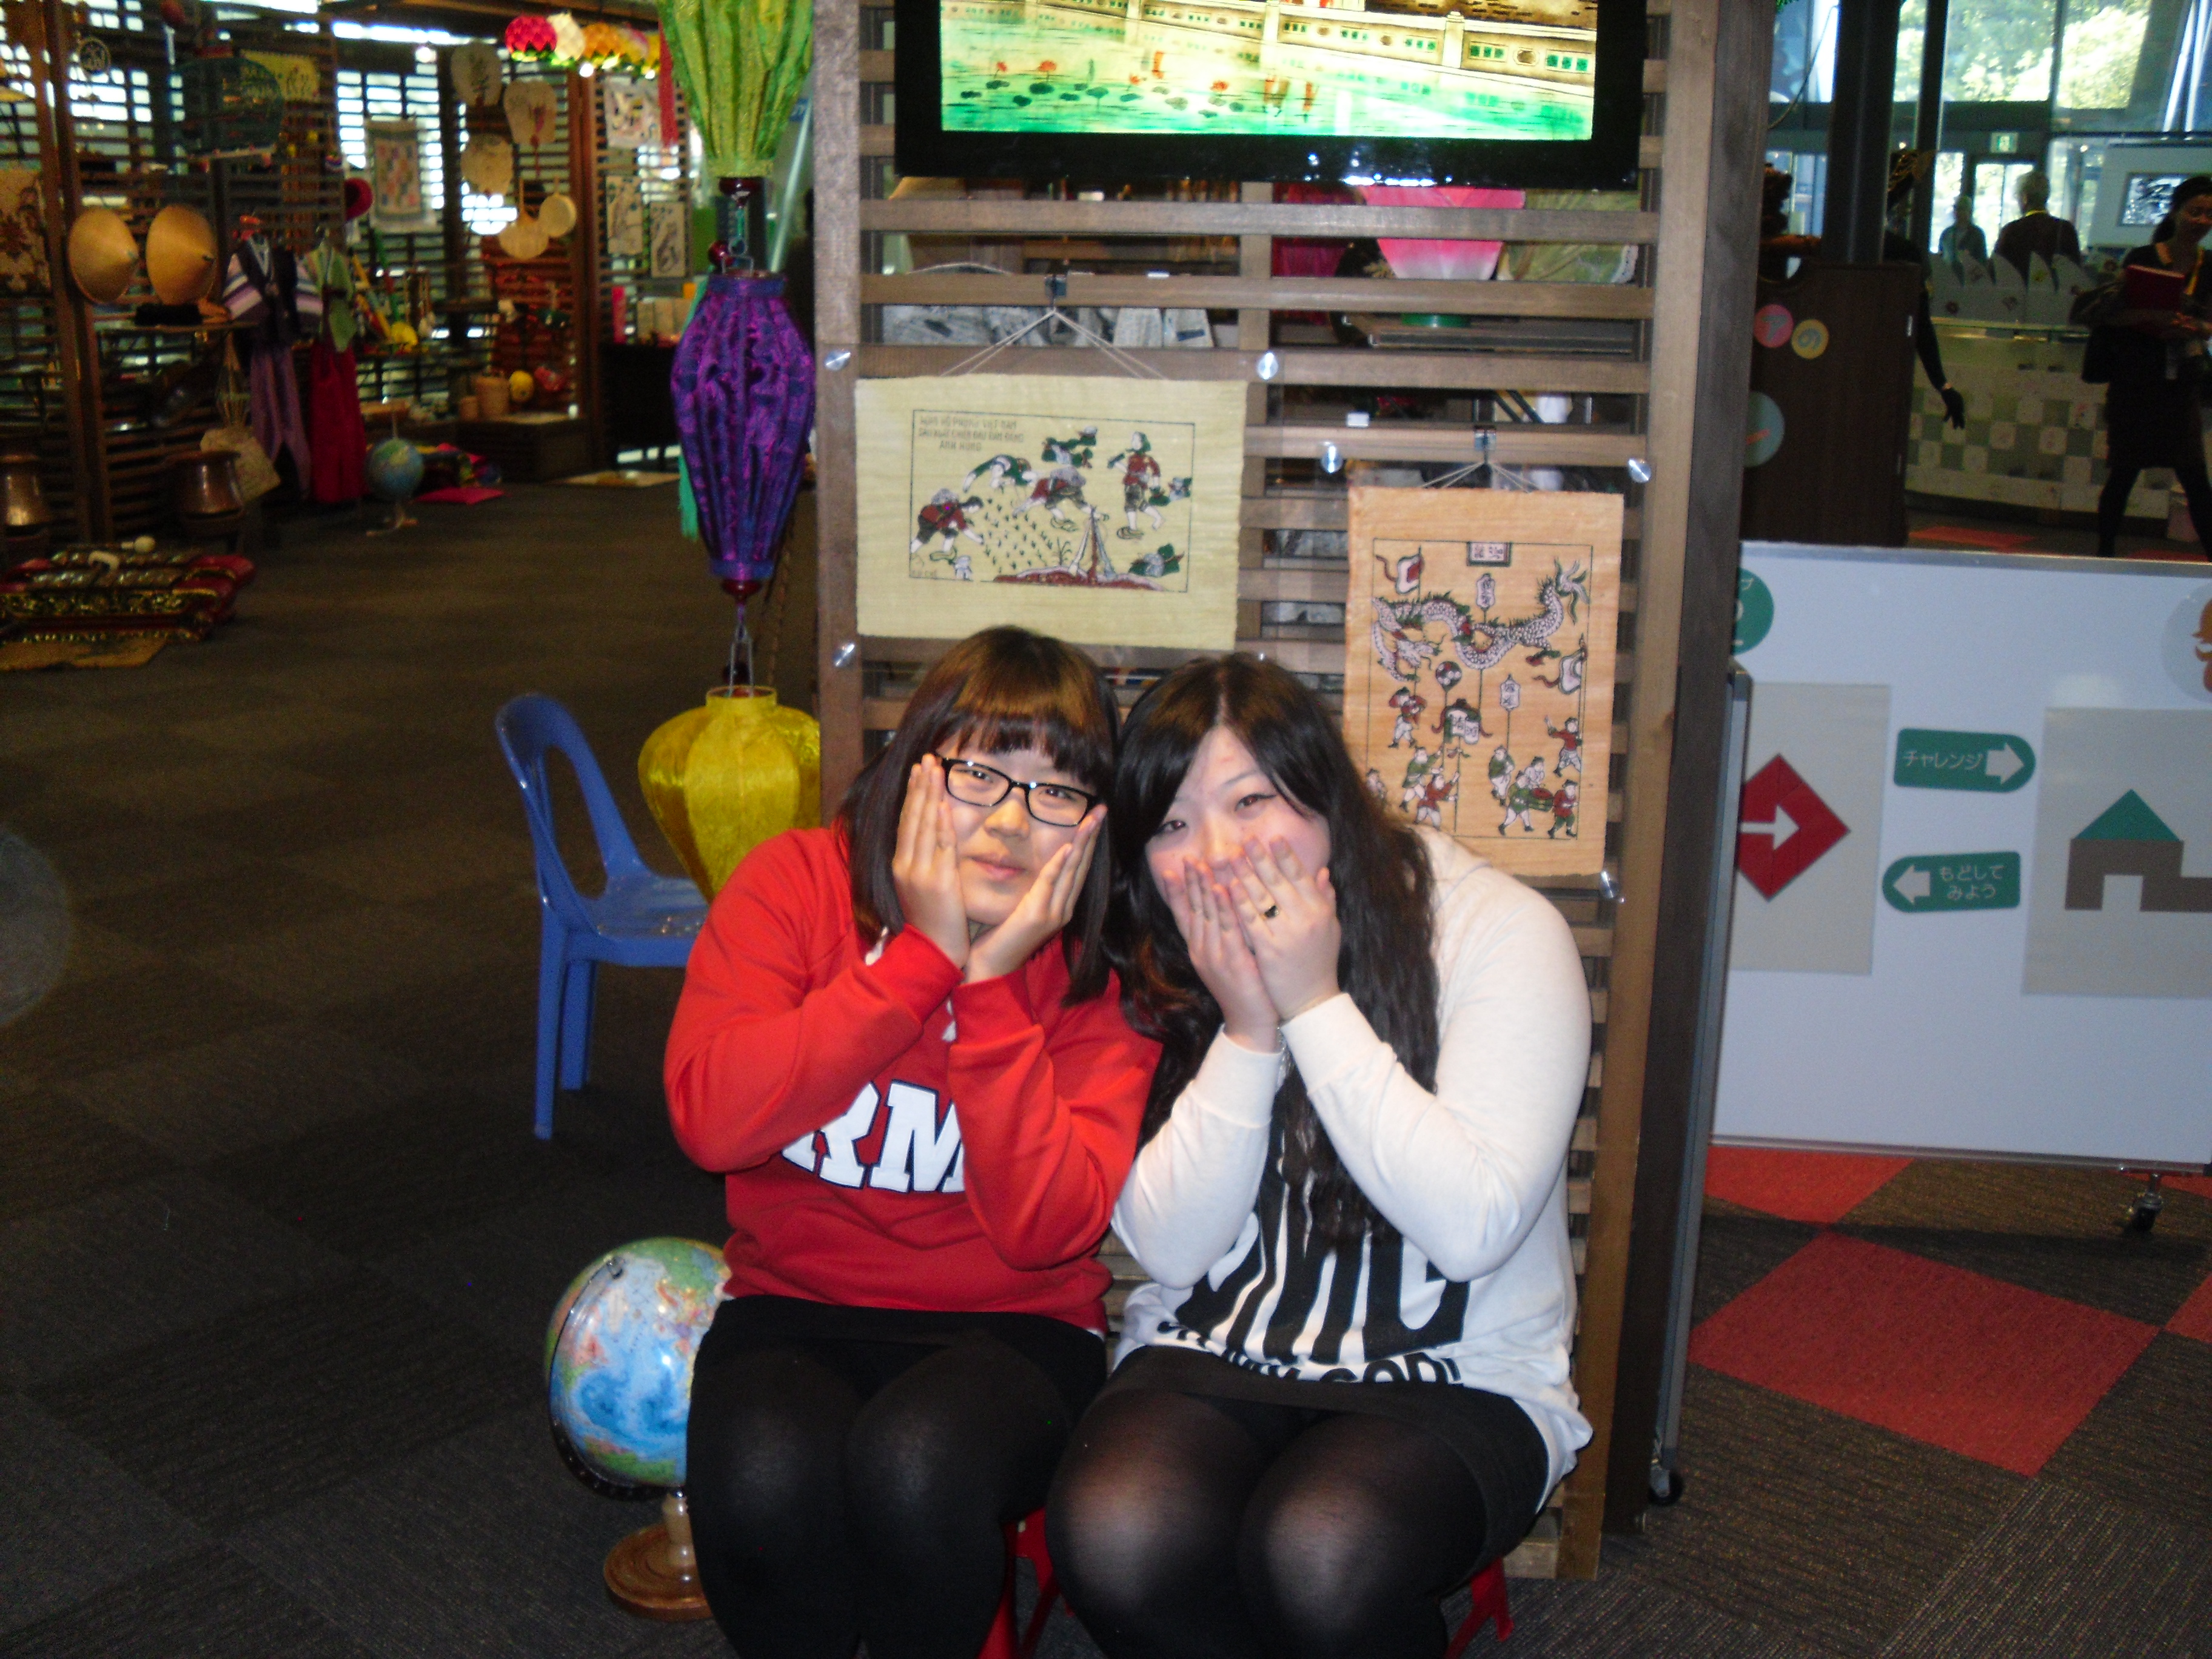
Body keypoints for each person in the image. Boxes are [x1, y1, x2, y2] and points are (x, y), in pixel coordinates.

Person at [1047, 655, 1594, 1659]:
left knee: (1322, 1550)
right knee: (1118, 1532)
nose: (1214, 854)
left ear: (1326, 794)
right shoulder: (1162, 944)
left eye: (1251, 801)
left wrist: (1311, 1000)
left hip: (1455, 1374)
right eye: (1171, 824)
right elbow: (1169, 1250)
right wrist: (1248, 1029)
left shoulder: (1495, 931)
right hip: (1217, 1347)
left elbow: (1471, 1227)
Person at [666, 626, 1158, 1659]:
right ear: (914, 769)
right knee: (759, 1476)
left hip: (1015, 1326)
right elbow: (711, 1121)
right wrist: (919, 964)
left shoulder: (1096, 969)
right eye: (980, 773)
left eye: (1056, 792)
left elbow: (1045, 1231)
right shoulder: (796, 885)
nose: (1010, 822)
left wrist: (989, 992)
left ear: (1090, 828)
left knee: (916, 1463)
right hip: (795, 1300)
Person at [2071, 174, 2212, 558]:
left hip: (2181, 384)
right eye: (2195, 211)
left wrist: (2194, 327)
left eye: (2209, 214)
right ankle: (2105, 555)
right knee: (2124, 473)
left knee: (2195, 478)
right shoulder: (2142, 259)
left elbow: (2209, 323)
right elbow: (2110, 315)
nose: (2201, 221)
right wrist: (2153, 318)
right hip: (2137, 381)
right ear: (2176, 211)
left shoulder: (2208, 266)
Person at [1993, 170, 2081, 280]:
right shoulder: (2066, 229)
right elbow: (2076, 271)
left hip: (2019, 290)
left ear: (2025, 198)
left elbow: (1997, 268)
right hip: (2057, 290)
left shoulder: (2011, 231)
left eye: (2017, 196)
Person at [1937, 193, 1987, 267]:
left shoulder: (1977, 234)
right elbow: (1940, 258)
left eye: (1962, 209)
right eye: (1956, 208)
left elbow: (1982, 261)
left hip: (1969, 273)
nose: (1958, 212)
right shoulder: (1946, 233)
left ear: (1969, 212)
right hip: (1947, 273)